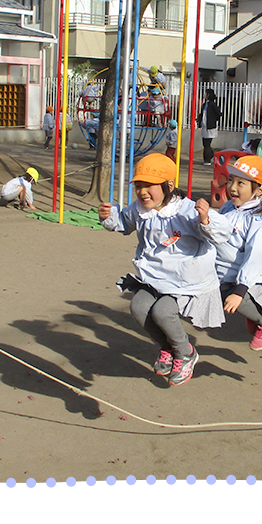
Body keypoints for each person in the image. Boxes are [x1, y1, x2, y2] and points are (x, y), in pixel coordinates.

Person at [99, 154, 232, 386]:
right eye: (139, 186)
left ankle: (186, 352)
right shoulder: (139, 209)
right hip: (154, 276)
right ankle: (167, 349)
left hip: (186, 280)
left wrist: (206, 219)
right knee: (138, 307)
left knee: (162, 311)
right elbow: (123, 222)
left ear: (169, 186)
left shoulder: (186, 210)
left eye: (149, 186)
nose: (142, 192)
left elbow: (223, 233)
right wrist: (109, 217)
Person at [213, 155, 262, 350]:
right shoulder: (228, 207)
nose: (233, 187)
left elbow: (255, 257)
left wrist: (241, 290)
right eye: (231, 180)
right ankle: (253, 312)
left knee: (231, 296)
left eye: (241, 183)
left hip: (257, 274)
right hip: (233, 268)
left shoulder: (258, 219)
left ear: (259, 189)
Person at [197, 88, 222, 164]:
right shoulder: (205, 104)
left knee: (207, 144)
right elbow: (202, 114)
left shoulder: (212, 104)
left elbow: (219, 113)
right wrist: (198, 120)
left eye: (206, 93)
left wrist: (213, 120)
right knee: (205, 144)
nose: (205, 95)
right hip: (205, 127)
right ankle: (211, 155)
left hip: (210, 127)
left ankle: (207, 160)